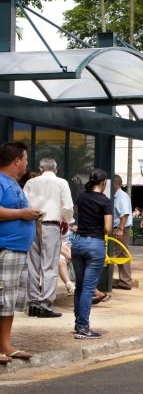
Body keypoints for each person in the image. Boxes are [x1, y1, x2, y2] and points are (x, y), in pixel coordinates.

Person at [0, 142, 42, 363]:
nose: (27, 162)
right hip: (5, 248)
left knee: (9, 301)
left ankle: (5, 345)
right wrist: (23, 213)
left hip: (17, 250)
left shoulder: (13, 183)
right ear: (16, 160)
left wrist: (29, 215)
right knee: (1, 298)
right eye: (25, 158)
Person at [23, 157, 74, 318]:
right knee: (49, 266)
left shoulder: (31, 183)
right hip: (51, 225)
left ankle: (33, 303)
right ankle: (45, 304)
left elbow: (23, 203)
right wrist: (66, 220)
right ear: (55, 169)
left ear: (41, 169)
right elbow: (68, 207)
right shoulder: (62, 183)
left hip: (32, 224)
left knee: (33, 265)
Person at [71, 168, 113, 340]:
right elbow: (108, 228)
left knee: (80, 287)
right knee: (88, 288)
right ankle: (83, 328)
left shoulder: (81, 196)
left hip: (78, 242)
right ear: (103, 183)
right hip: (95, 244)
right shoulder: (106, 201)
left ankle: (78, 323)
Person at [111, 175, 133, 290]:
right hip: (122, 228)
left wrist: (120, 229)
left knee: (111, 253)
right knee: (122, 254)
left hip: (120, 228)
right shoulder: (117, 196)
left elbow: (124, 213)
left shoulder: (121, 196)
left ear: (116, 184)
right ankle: (125, 281)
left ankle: (105, 280)